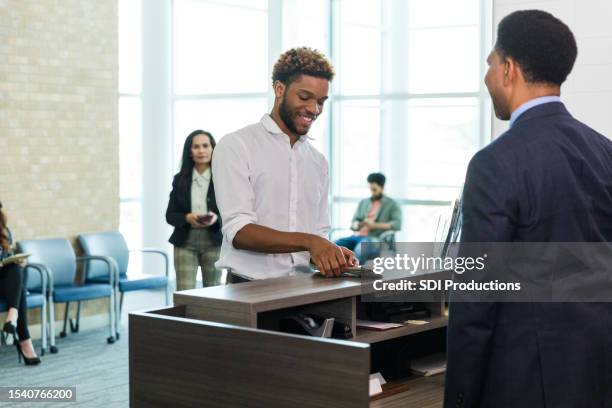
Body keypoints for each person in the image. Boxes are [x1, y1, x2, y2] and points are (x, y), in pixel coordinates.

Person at [444, 10, 612, 408]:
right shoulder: (604, 152)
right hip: (597, 372)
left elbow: (477, 299)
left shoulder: (495, 162)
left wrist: (460, 398)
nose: (487, 77)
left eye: (490, 64)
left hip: (524, 382)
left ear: (508, 69)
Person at [212, 47, 356, 282]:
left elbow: (318, 231)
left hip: (303, 287)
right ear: (279, 89)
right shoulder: (236, 146)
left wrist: (329, 253)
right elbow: (239, 232)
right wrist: (311, 242)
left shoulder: (318, 162)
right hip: (248, 288)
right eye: (305, 97)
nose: (314, 109)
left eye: (321, 101)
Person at [166, 130, 223, 290]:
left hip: (213, 241)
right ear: (189, 152)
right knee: (184, 293)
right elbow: (170, 215)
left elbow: (232, 213)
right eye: (196, 147)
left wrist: (216, 218)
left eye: (205, 146)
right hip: (185, 241)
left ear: (213, 149)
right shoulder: (180, 179)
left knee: (214, 292)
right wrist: (187, 217)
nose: (201, 150)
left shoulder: (222, 177)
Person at [0, 201, 41, 365]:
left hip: (4, 281)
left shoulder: (4, 231)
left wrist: (17, 261)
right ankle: (24, 341)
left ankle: (13, 317)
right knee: (20, 290)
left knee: (16, 269)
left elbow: (7, 255)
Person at [334, 173, 401, 263]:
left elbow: (397, 225)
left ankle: (358, 273)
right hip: (355, 236)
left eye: (374, 189)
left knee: (361, 250)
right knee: (334, 246)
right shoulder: (364, 202)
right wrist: (357, 225)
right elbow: (354, 222)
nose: (372, 192)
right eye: (370, 189)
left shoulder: (392, 204)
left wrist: (374, 225)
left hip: (374, 238)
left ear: (382, 187)